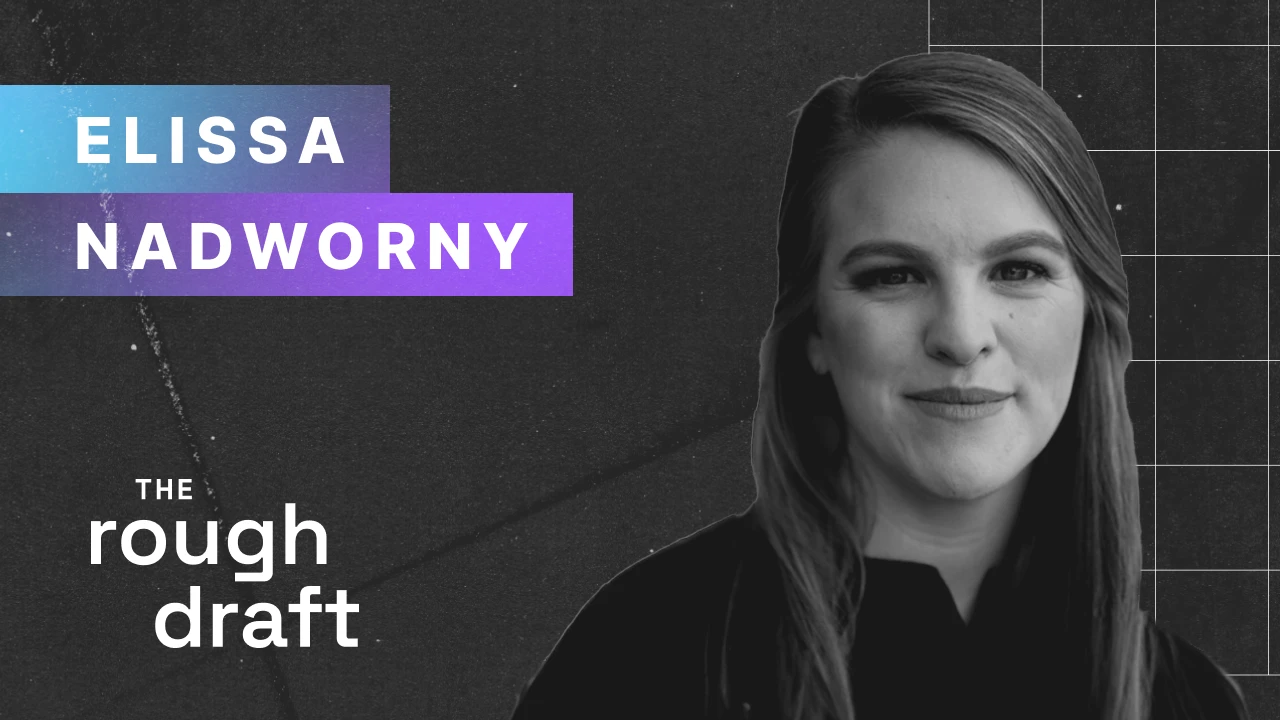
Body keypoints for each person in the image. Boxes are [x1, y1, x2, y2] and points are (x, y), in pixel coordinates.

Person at [507, 51, 1250, 720]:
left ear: (1092, 317)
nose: (961, 334)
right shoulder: (648, 652)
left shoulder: (1186, 697)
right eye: (893, 275)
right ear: (814, 332)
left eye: (1018, 269)